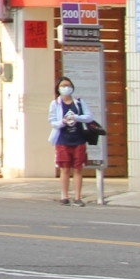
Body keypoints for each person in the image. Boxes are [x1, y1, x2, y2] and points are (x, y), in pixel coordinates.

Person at [49, 76, 89, 206]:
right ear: (58, 88)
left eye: (69, 85)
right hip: (63, 140)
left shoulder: (78, 102)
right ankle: (64, 196)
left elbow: (89, 117)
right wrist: (63, 122)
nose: (66, 88)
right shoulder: (55, 103)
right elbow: (52, 121)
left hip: (78, 139)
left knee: (78, 169)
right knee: (65, 169)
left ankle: (77, 197)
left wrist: (76, 117)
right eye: (63, 86)